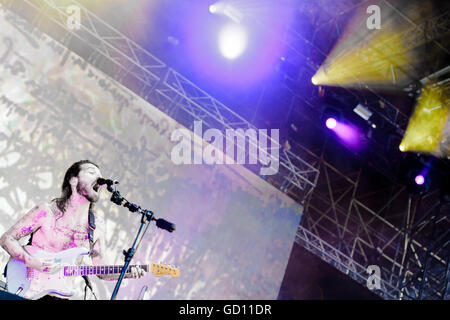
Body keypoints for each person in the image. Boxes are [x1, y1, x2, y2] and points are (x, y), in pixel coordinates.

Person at [0, 160, 146, 300]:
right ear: (73, 180)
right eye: (91, 172)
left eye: (99, 174)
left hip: (58, 296)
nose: (99, 178)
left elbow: (102, 271)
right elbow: (7, 239)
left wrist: (128, 272)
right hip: (27, 288)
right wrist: (33, 263)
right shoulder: (46, 211)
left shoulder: (96, 227)